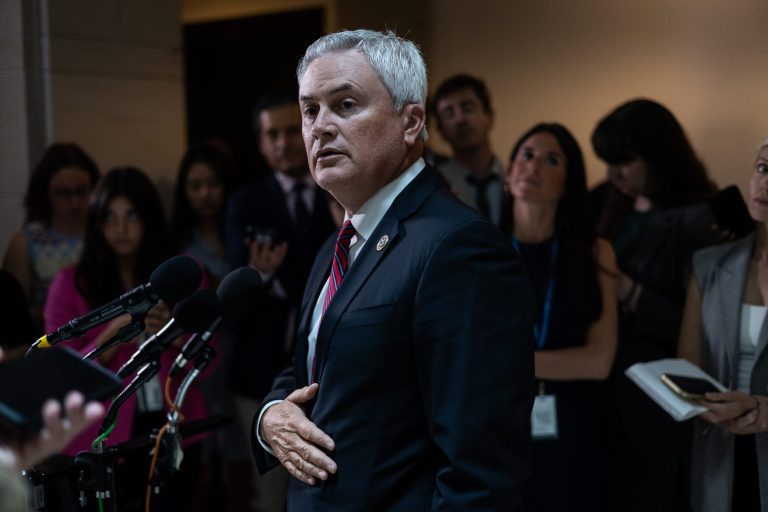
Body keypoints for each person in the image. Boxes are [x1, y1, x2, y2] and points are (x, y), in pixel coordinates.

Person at [252, 29, 535, 510]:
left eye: (345, 105)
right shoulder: (335, 245)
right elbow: (314, 366)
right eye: (309, 110)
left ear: (411, 123)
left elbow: (480, 471)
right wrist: (269, 415)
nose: (319, 127)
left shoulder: (458, 246)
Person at [44, 167, 209, 510]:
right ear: (96, 223)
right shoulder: (70, 283)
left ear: (149, 218)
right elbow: (58, 374)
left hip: (174, 427)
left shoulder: (182, 273)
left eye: (131, 215)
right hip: (104, 436)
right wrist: (113, 336)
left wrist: (176, 333)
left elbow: (210, 360)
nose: (120, 229)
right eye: (109, 217)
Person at [590, 98, 720, 511]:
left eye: (625, 162)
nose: (614, 175)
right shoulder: (606, 200)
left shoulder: (701, 218)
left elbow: (704, 326)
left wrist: (627, 290)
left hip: (656, 399)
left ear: (658, 156)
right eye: (608, 162)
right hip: (601, 389)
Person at [225, 91, 337, 510]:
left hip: (323, 369)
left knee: (322, 476)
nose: (284, 142)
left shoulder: (336, 189)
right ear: (260, 142)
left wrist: (272, 276)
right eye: (273, 134)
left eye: (294, 130)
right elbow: (240, 283)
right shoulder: (244, 202)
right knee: (269, 495)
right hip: (259, 369)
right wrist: (265, 276)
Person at [505, 123, 618, 511]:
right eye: (527, 154)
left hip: (574, 425)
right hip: (500, 423)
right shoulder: (480, 247)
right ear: (509, 172)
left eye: (551, 159)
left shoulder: (595, 252)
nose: (534, 166)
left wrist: (511, 362)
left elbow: (599, 361)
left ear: (569, 183)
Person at [677, 139, 768, 512]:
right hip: (720, 452)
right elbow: (687, 368)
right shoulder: (710, 265)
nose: (765, 184)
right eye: (763, 168)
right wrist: (701, 403)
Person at [3, 143, 100, 335]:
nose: (75, 202)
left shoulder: (105, 232)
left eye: (82, 192)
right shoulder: (26, 242)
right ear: (46, 194)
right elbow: (12, 314)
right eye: (64, 193)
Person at [431, 74, 509, 226]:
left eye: (468, 108)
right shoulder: (434, 186)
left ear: (489, 117)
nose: (460, 119)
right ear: (441, 130)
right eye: (449, 113)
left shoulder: (517, 180)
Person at [171, 143, 236, 289]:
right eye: (195, 186)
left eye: (213, 183)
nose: (205, 193)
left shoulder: (241, 233)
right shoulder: (178, 243)